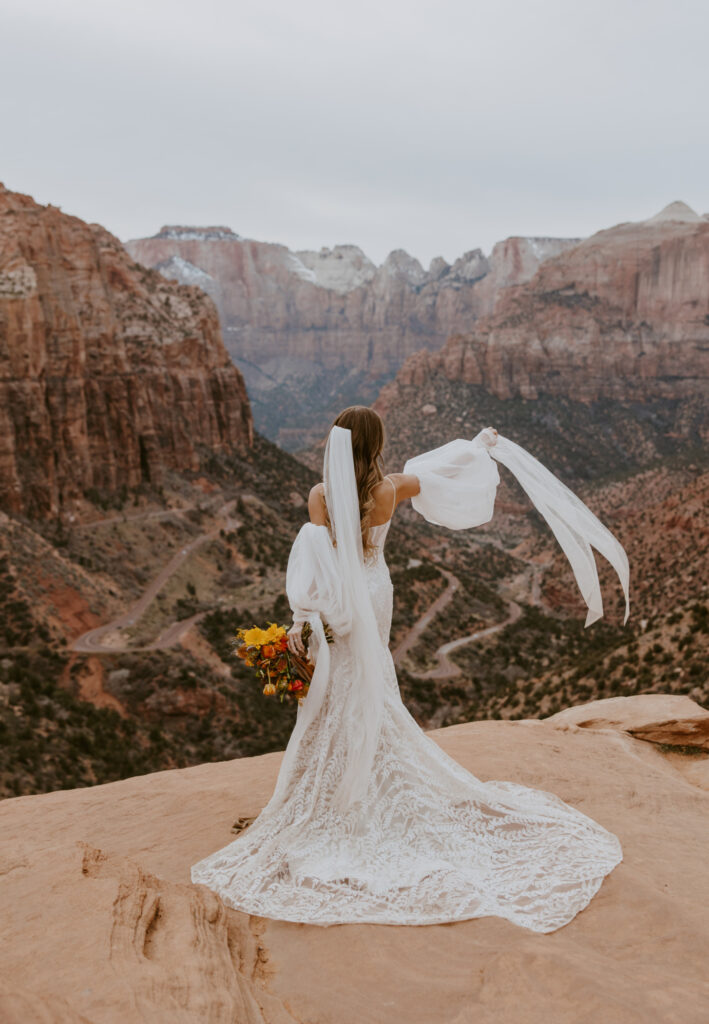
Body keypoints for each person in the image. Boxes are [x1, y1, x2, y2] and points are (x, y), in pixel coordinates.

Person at [191, 405, 629, 931]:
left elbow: (318, 562)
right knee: (372, 681)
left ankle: (325, 792)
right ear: (375, 445)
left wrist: (304, 625)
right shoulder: (388, 491)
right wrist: (479, 445)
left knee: (338, 687)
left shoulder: (319, 496)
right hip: (373, 592)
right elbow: (442, 473)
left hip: (336, 602)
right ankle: (372, 769)